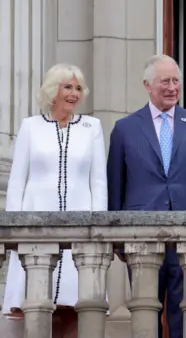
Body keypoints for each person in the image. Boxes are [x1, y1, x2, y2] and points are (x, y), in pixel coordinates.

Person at [107, 54, 186, 338]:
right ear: (147, 85)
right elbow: (115, 188)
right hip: (141, 238)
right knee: (146, 314)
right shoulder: (125, 129)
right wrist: (117, 239)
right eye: (165, 81)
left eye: (176, 81)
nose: (172, 87)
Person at [3, 64, 107, 338]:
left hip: (79, 233)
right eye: (68, 87)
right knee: (33, 305)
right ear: (53, 90)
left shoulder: (92, 127)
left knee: (76, 305)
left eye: (78, 88)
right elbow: (17, 181)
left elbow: (98, 182)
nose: (74, 94)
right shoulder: (30, 127)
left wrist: (100, 230)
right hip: (35, 229)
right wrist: (13, 233)